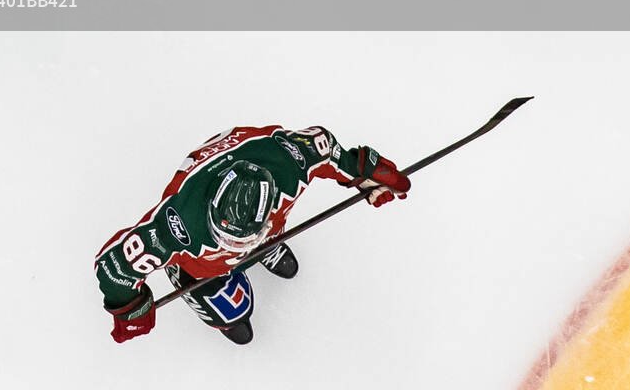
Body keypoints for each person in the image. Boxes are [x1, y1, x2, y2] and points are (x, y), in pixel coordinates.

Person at [95, 124, 410, 345]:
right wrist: (128, 306)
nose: (239, 245)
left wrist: (361, 173)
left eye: (247, 239)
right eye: (230, 239)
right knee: (234, 311)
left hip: (257, 168)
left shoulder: (289, 166)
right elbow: (113, 266)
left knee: (268, 236)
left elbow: (324, 147)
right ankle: (181, 272)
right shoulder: (178, 225)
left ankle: (265, 242)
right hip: (201, 255)